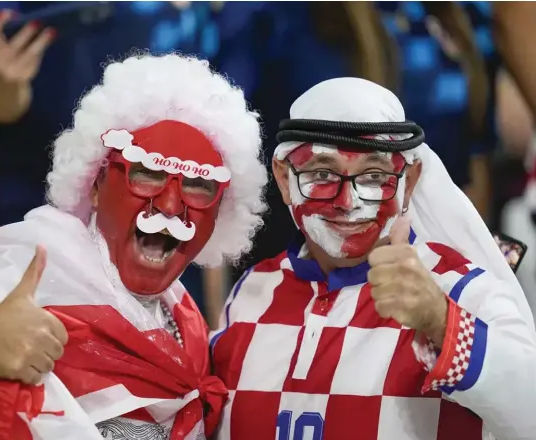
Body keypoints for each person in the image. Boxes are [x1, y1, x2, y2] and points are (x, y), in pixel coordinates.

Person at [210, 78, 536, 440]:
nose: (348, 203)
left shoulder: (465, 289)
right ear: (284, 179)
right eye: (322, 173)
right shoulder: (252, 291)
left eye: (374, 176)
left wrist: (442, 322)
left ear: (409, 182)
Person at [0, 52, 267, 439]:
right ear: (95, 183)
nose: (171, 206)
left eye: (198, 185)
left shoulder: (189, 325)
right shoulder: (29, 268)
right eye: (147, 174)